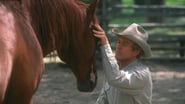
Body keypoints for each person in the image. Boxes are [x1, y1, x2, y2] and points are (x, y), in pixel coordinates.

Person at [92, 23, 153, 104]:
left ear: (136, 51)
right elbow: (103, 100)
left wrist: (105, 44)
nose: (118, 46)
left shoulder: (141, 74)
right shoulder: (112, 69)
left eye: (125, 44)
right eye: (119, 42)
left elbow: (115, 78)